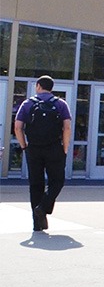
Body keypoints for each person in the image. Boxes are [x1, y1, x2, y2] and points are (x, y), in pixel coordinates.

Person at [13, 75, 73, 232]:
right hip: (54, 147)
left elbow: (18, 127)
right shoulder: (61, 104)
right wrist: (65, 147)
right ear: (51, 88)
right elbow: (67, 127)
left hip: (34, 148)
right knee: (57, 181)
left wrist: (24, 146)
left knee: (35, 184)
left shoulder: (28, 104)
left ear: (38, 86)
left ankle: (36, 223)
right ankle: (43, 208)